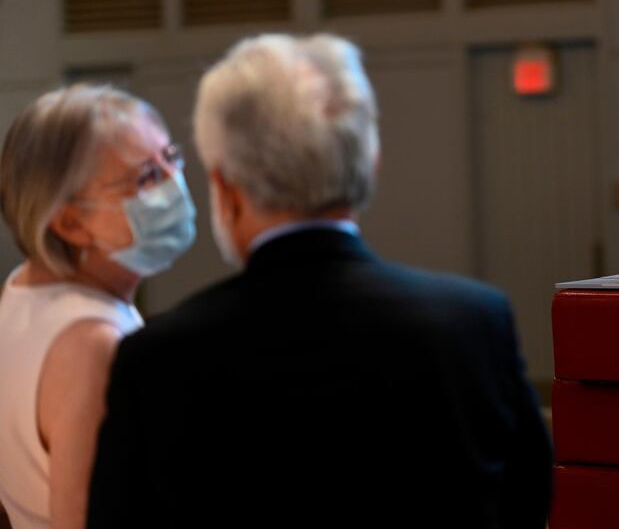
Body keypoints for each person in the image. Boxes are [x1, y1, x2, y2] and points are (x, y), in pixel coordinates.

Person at [86, 34, 553, 529]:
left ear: (226, 189)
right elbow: (526, 498)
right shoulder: (475, 323)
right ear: (368, 166)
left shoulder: (156, 362)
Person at [0, 85, 196, 529]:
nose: (173, 184)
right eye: (146, 176)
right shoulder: (91, 344)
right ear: (70, 222)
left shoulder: (20, 289)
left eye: (171, 157)